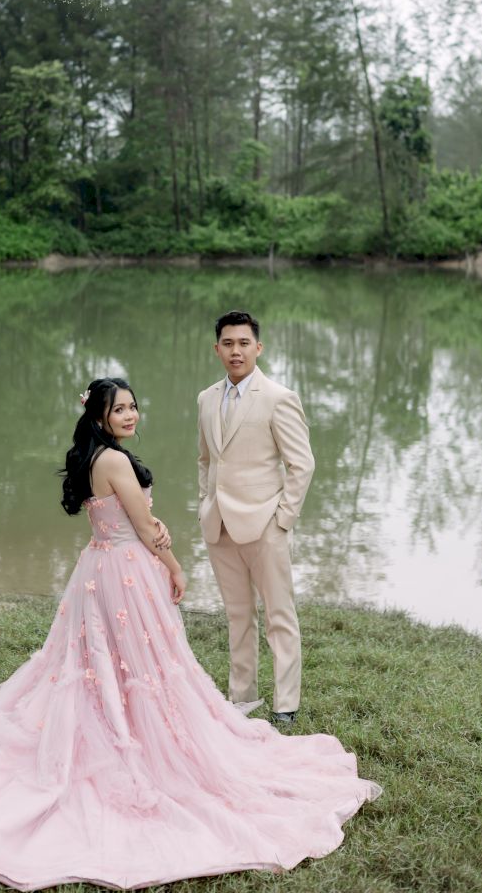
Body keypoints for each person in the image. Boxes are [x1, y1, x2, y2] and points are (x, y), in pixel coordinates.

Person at [0, 376, 379, 891]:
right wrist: (174, 565)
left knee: (103, 664)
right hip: (126, 570)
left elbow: (126, 520)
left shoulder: (92, 457)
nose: (131, 415)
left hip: (99, 567)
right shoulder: (113, 461)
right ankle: (135, 742)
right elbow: (143, 525)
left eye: (134, 407)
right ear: (99, 416)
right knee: (140, 665)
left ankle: (121, 722)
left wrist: (153, 530)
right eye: (120, 410)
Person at [198, 310, 314, 724]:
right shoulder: (206, 399)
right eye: (228, 343)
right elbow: (205, 460)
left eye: (244, 343)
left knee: (279, 615)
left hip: (266, 524)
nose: (236, 351)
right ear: (217, 349)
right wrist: (205, 502)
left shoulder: (279, 398)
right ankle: (242, 697)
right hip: (219, 524)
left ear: (258, 348)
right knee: (237, 615)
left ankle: (286, 705)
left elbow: (302, 464)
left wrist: (283, 519)